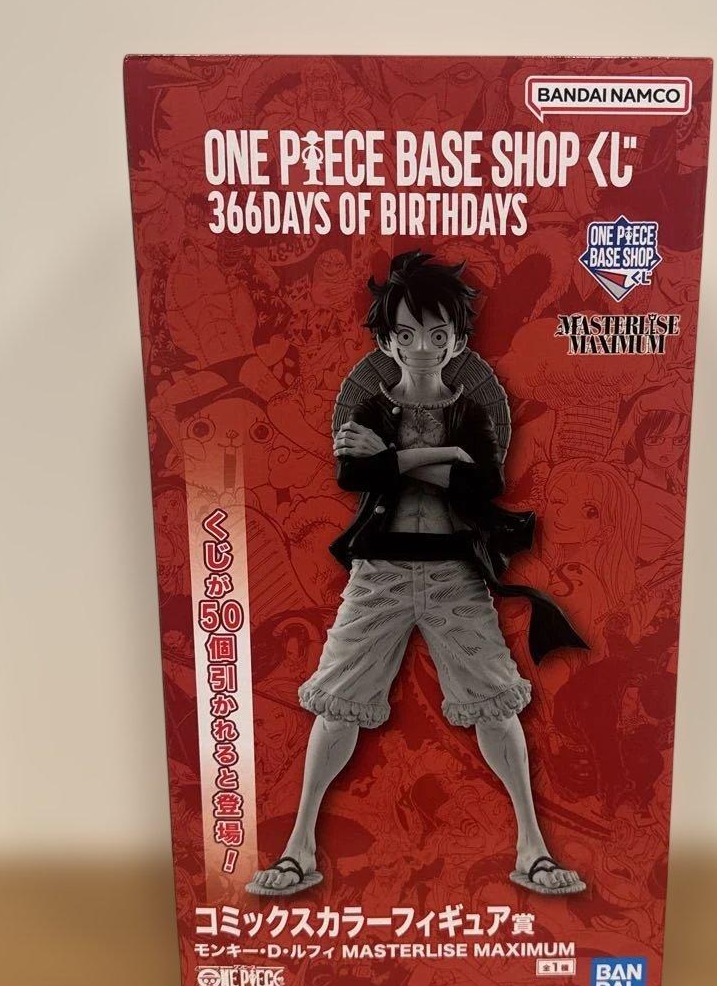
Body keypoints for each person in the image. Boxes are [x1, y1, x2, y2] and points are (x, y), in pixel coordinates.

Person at [247, 250, 586, 898]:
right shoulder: (371, 409)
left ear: (457, 340)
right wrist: (441, 457)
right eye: (406, 334)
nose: (422, 348)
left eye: (436, 334)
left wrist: (398, 457)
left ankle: (533, 849)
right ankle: (299, 849)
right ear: (387, 341)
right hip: (378, 572)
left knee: (495, 701)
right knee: (337, 700)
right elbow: (354, 473)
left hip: (457, 573)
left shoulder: (474, 412)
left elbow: (483, 483)